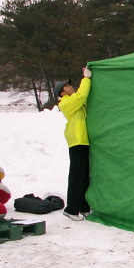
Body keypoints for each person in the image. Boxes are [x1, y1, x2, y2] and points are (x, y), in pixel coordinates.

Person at [54, 67, 92, 221]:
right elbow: (82, 95)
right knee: (77, 175)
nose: (71, 87)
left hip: (83, 140)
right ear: (62, 93)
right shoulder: (66, 102)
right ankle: (71, 209)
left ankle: (83, 207)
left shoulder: (71, 100)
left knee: (84, 175)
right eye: (67, 86)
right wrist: (86, 78)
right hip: (77, 141)